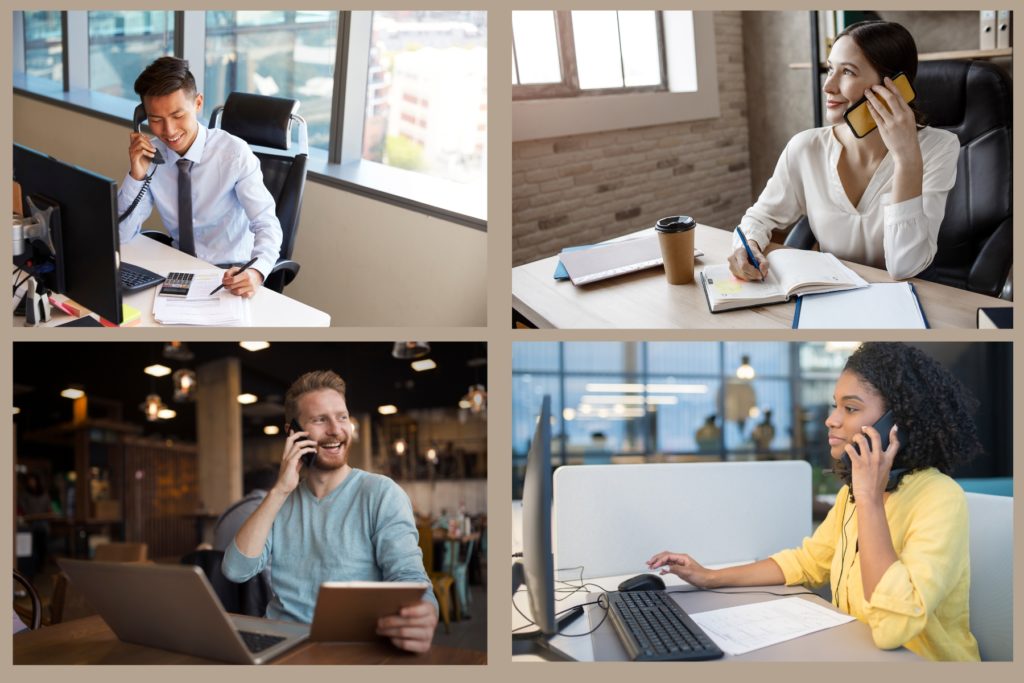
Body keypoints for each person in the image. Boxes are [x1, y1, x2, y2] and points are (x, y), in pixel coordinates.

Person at [648, 343, 982, 661]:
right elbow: (807, 563)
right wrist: (709, 577)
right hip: (855, 654)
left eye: (850, 408)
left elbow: (893, 628)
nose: (832, 419)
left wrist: (869, 499)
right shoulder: (850, 496)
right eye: (835, 405)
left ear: (896, 424)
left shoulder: (939, 498)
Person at [222, 370, 438, 653]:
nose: (336, 430)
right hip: (282, 646)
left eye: (342, 417)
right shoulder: (280, 501)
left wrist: (425, 612)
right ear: (293, 433)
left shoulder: (381, 493)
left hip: (351, 648)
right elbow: (236, 571)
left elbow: (410, 578)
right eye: (320, 419)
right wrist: (279, 491)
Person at [728, 21, 959, 282]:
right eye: (830, 69)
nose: (828, 86)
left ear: (895, 85)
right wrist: (745, 247)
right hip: (831, 295)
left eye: (847, 72)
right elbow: (760, 217)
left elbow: (904, 267)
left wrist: (907, 159)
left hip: (910, 299)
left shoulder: (939, 147)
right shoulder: (805, 148)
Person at [118, 56, 283, 298]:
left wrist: (256, 272)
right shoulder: (151, 156)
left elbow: (267, 223)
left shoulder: (234, 154)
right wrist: (136, 175)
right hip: (176, 271)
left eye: (177, 115)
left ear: (198, 103)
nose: (169, 131)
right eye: (156, 120)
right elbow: (121, 234)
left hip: (228, 276)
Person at [212, 466, 278, 553]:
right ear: (276, 485)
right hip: (249, 565)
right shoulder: (269, 509)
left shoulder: (230, 509)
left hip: (217, 565)